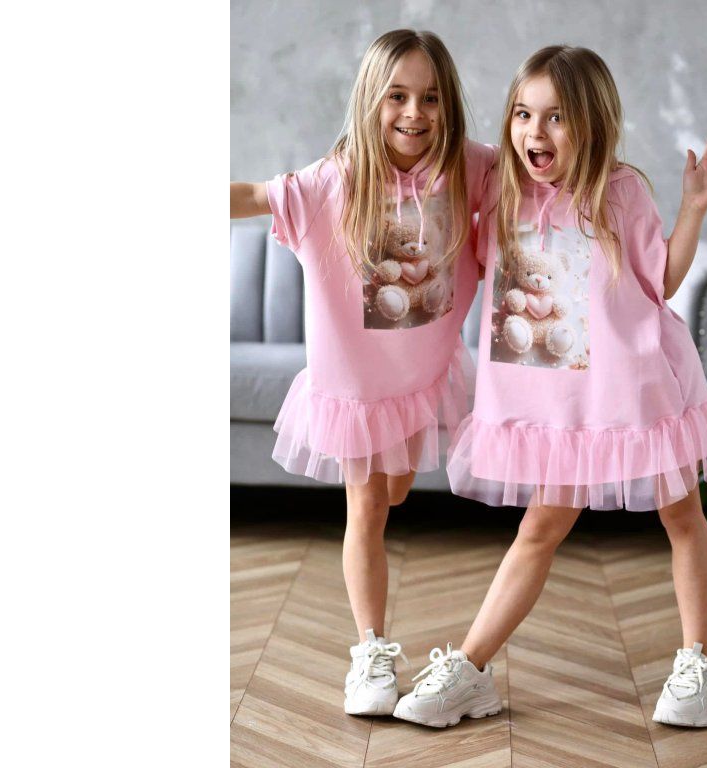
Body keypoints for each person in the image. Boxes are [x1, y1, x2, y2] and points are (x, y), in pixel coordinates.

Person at [392, 45, 707, 729]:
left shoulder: (621, 191)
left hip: (637, 391)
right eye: (523, 114)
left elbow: (661, 282)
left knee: (682, 516)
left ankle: (700, 665)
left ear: (591, 121)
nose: (535, 131)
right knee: (538, 531)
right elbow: (426, 161)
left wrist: (694, 209)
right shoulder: (498, 187)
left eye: (555, 117)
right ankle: (471, 669)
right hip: (554, 407)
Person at [230, 29, 494, 717]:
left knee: (397, 488)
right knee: (368, 505)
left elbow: (535, 179)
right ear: (370, 100)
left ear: (448, 103)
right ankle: (371, 653)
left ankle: (374, 634)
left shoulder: (467, 167)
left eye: (430, 98)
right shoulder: (334, 180)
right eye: (397, 96)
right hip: (355, 387)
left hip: (423, 376)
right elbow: (252, 194)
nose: (414, 113)